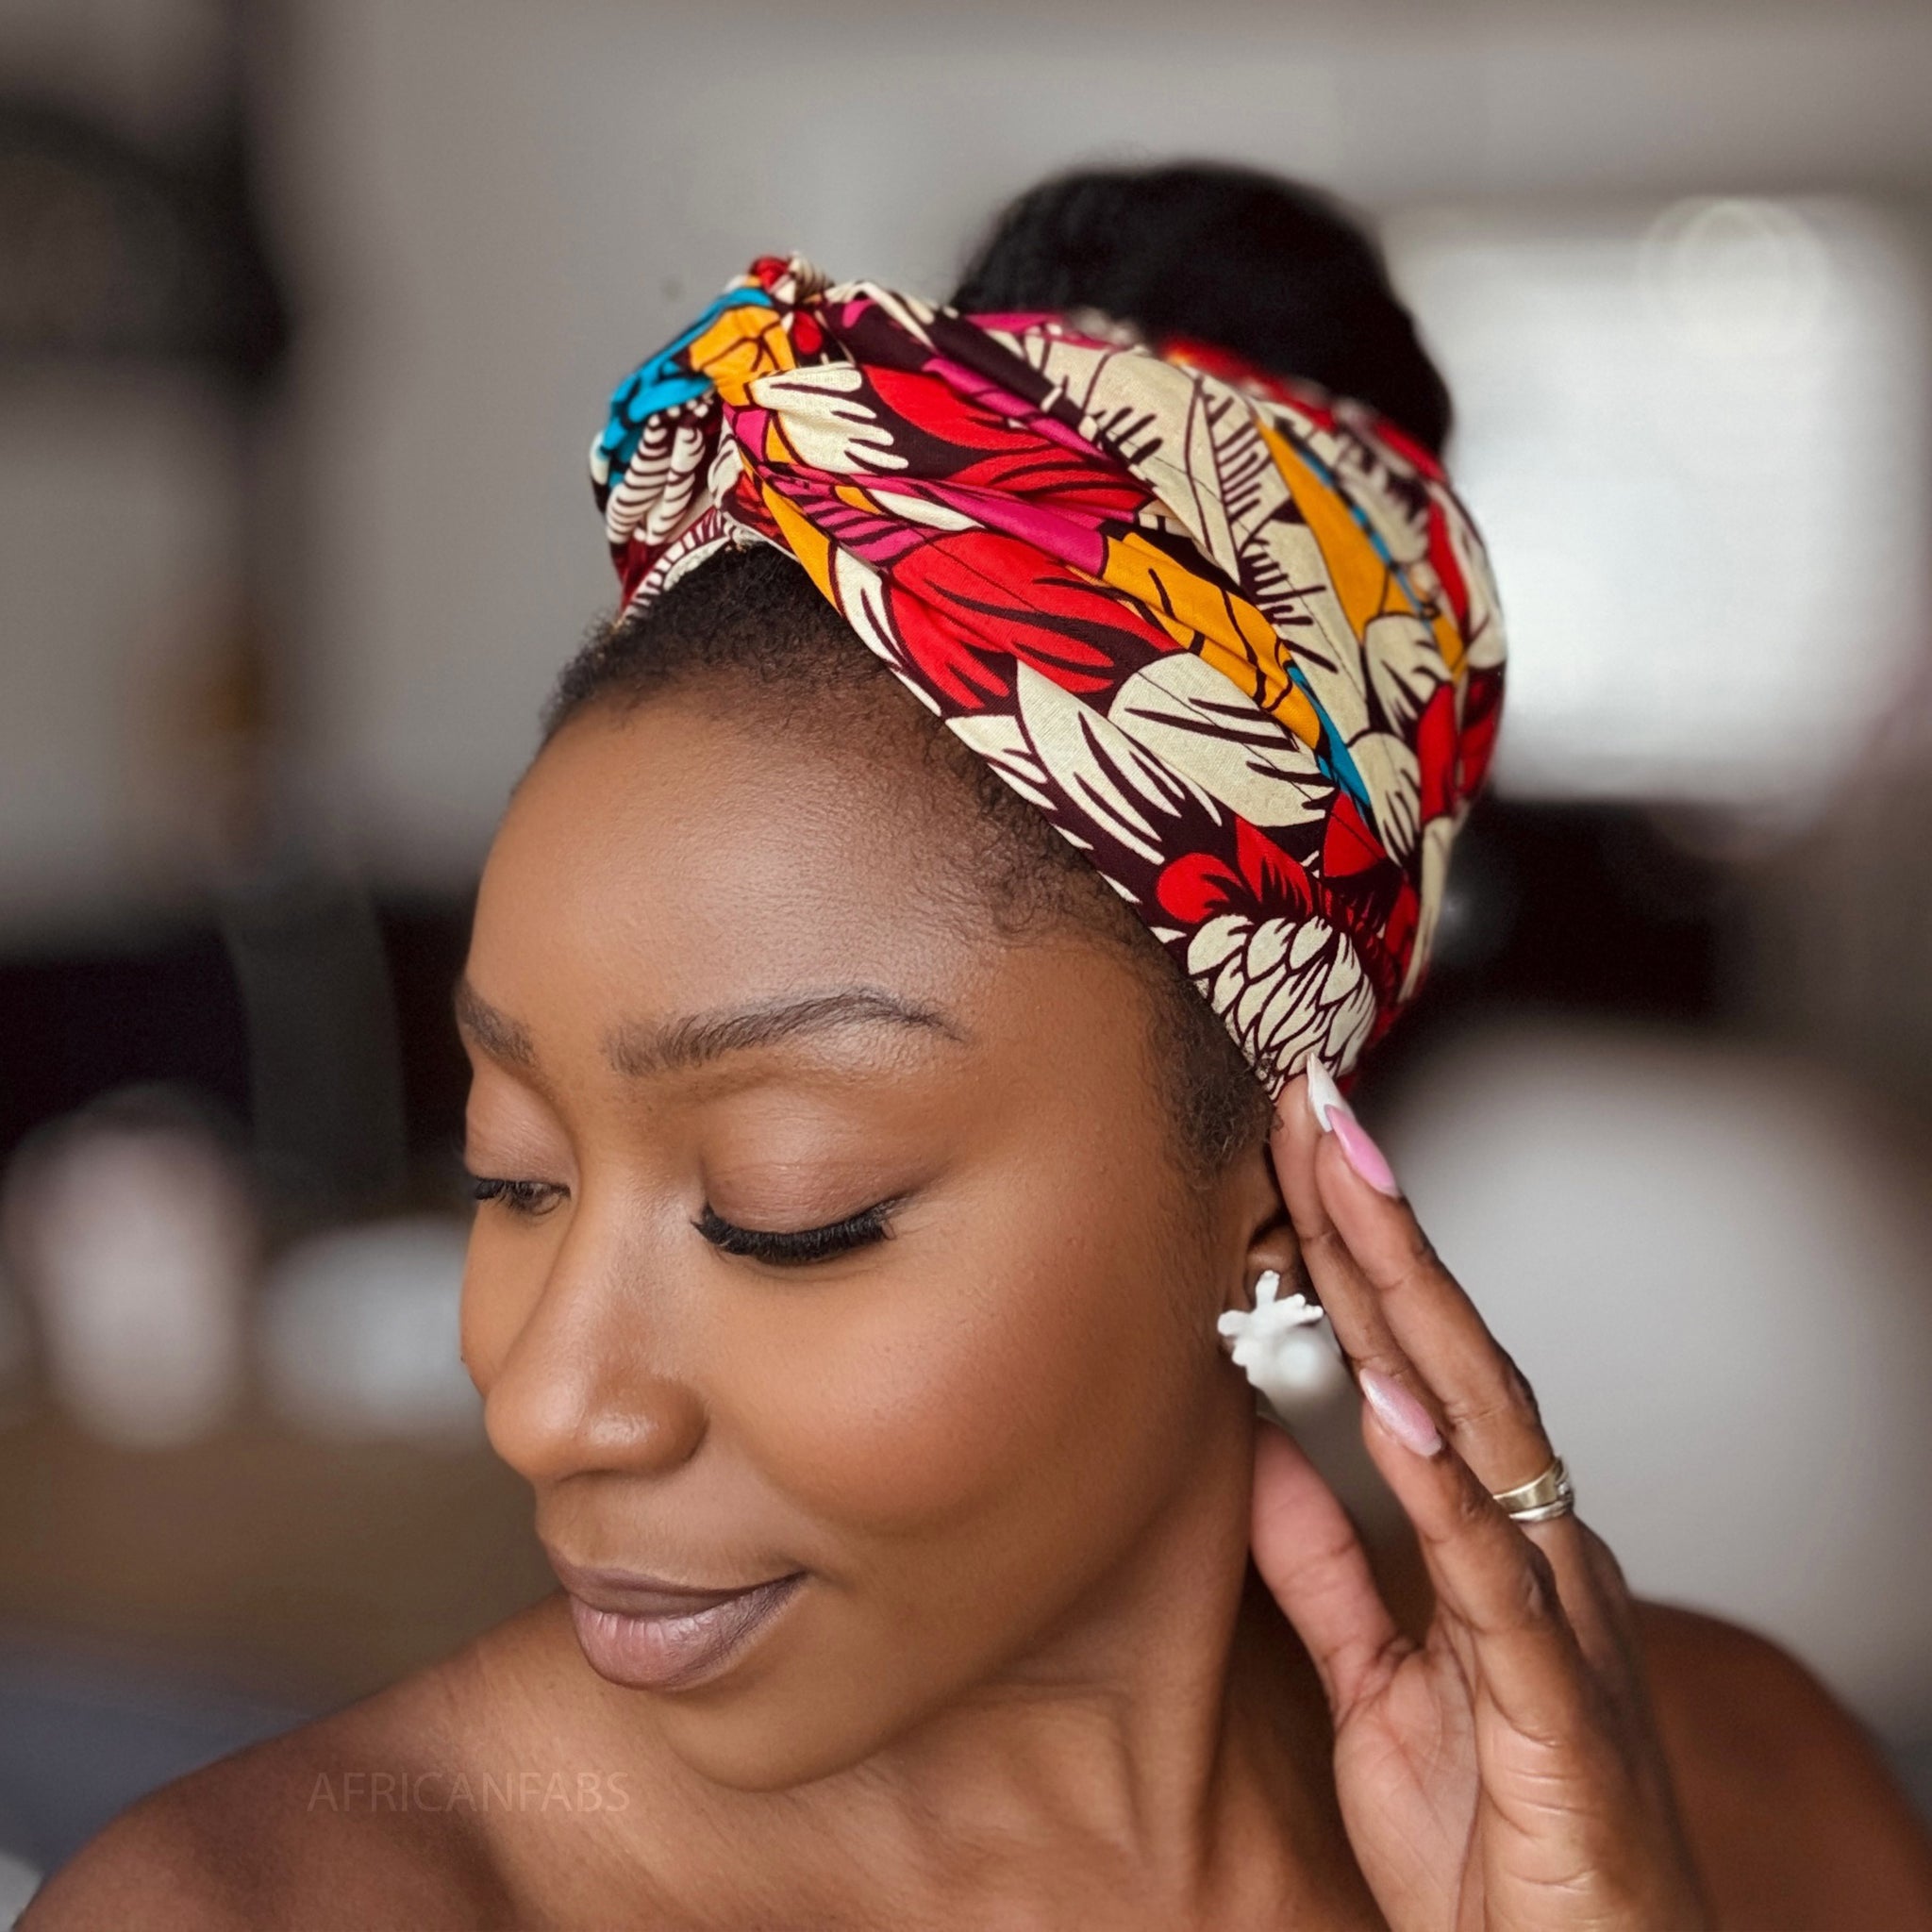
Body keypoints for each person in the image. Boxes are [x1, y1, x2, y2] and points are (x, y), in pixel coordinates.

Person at [27, 166, 1932, 1931]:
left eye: (792, 1209)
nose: (546, 1403)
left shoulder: (1738, 1803)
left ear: (1278, 1186)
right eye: (514, 1174)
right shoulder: (270, 1908)